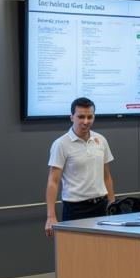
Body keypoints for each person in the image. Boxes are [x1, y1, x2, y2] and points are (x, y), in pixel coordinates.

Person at [45, 96, 115, 235]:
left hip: (101, 206)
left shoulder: (101, 140)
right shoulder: (61, 144)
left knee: (102, 252)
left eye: (90, 117)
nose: (86, 121)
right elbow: (53, 181)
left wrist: (112, 203)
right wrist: (50, 216)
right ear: (72, 117)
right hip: (75, 209)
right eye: (81, 117)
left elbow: (106, 176)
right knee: (75, 254)